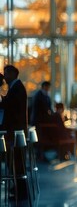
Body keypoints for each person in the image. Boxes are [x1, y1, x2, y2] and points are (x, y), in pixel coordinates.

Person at [0, 65, 29, 200]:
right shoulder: (17, 87)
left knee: (16, 163)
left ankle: (21, 191)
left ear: (12, 74)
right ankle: (18, 189)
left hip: (15, 132)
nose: (4, 77)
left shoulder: (17, 88)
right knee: (17, 162)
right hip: (17, 132)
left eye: (6, 74)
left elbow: (9, 106)